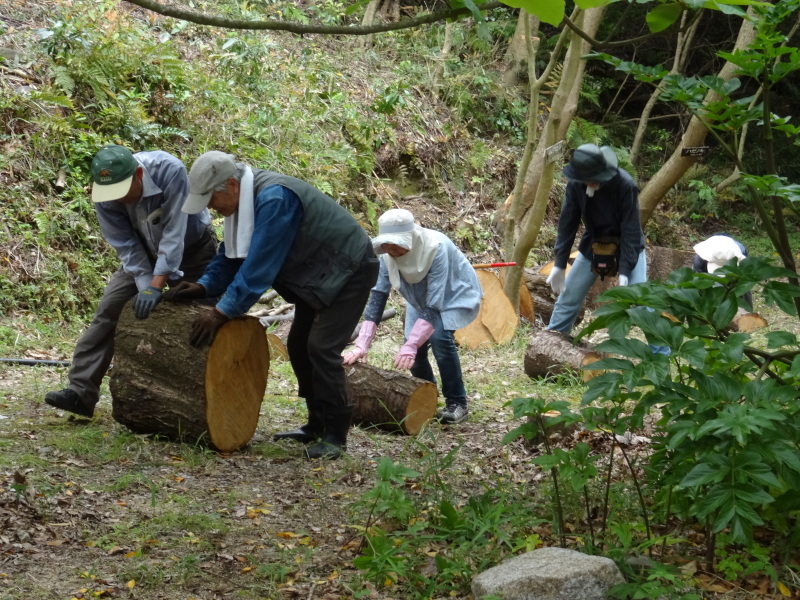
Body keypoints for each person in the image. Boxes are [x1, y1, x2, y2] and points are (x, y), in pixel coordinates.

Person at [164, 151, 379, 460]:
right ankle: (316, 424)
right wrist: (203, 286)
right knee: (299, 344)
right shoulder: (242, 205)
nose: (210, 207)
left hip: (349, 269)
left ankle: (335, 434)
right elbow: (230, 256)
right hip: (316, 274)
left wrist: (220, 312)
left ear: (233, 185)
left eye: (211, 198)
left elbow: (258, 267)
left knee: (321, 348)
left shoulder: (276, 199)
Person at [44, 144, 217, 418]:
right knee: (108, 311)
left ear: (138, 173)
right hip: (143, 253)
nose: (119, 199)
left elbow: (174, 232)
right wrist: (146, 284)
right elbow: (124, 243)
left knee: (207, 319)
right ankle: (80, 393)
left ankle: (214, 401)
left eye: (123, 190)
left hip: (193, 249)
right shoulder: (105, 193)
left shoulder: (169, 170)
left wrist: (156, 285)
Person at [343, 208, 482, 425]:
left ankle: (458, 403)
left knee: (439, 339)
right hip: (420, 300)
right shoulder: (386, 257)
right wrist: (363, 343)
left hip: (453, 294)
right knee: (415, 351)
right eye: (387, 246)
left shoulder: (437, 247)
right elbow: (378, 295)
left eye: (397, 246)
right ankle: (427, 396)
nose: (392, 251)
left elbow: (435, 302)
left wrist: (413, 342)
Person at [545, 143, 669, 355]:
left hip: (628, 246)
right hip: (593, 242)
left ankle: (662, 355)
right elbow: (567, 224)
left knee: (643, 305)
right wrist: (559, 264)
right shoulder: (575, 185)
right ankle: (550, 346)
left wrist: (625, 269)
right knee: (567, 298)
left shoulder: (624, 185)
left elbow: (631, 229)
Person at [692, 234, 752, 311]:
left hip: (735, 271)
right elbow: (697, 284)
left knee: (743, 289)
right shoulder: (701, 257)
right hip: (707, 274)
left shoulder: (741, 253)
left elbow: (744, 284)